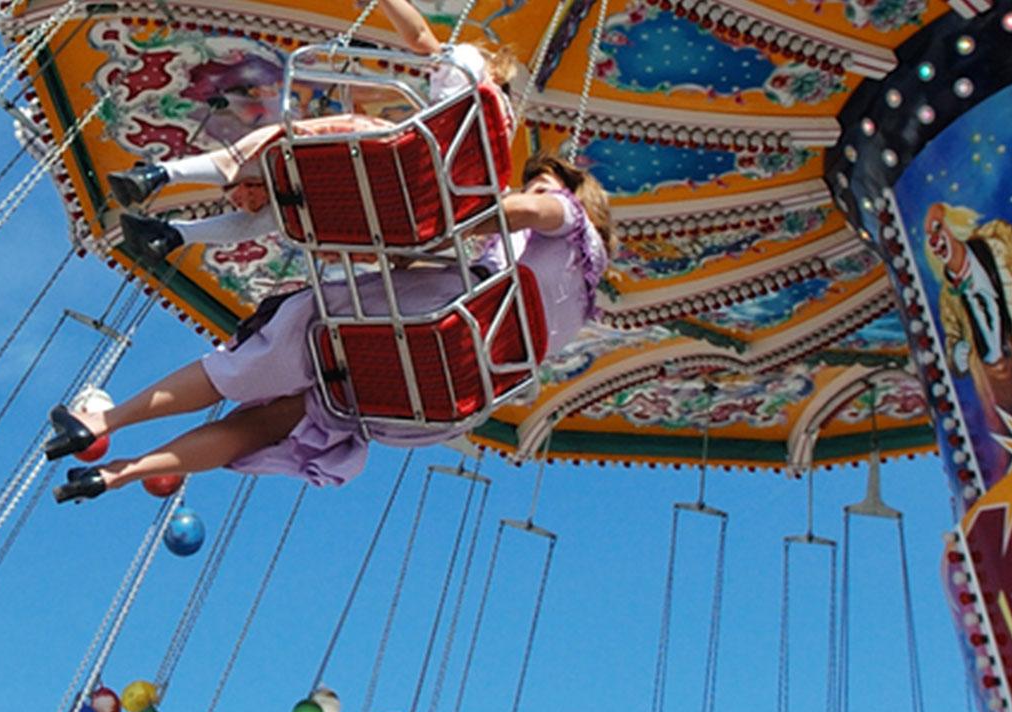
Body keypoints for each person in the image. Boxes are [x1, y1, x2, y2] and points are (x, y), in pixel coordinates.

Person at [43, 155, 611, 497]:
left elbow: (511, 212)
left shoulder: (566, 215)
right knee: (273, 421)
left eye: (541, 183)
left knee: (245, 363)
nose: (533, 192)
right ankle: (120, 473)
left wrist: (439, 218)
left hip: (422, 326)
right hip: (430, 397)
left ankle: (105, 421)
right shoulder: (581, 304)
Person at [100, 0, 518, 260]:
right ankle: (174, 235)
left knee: (271, 143)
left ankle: (159, 175)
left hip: (397, 160)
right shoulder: (499, 144)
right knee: (284, 214)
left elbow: (421, 38)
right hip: (405, 209)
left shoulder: (469, 66)